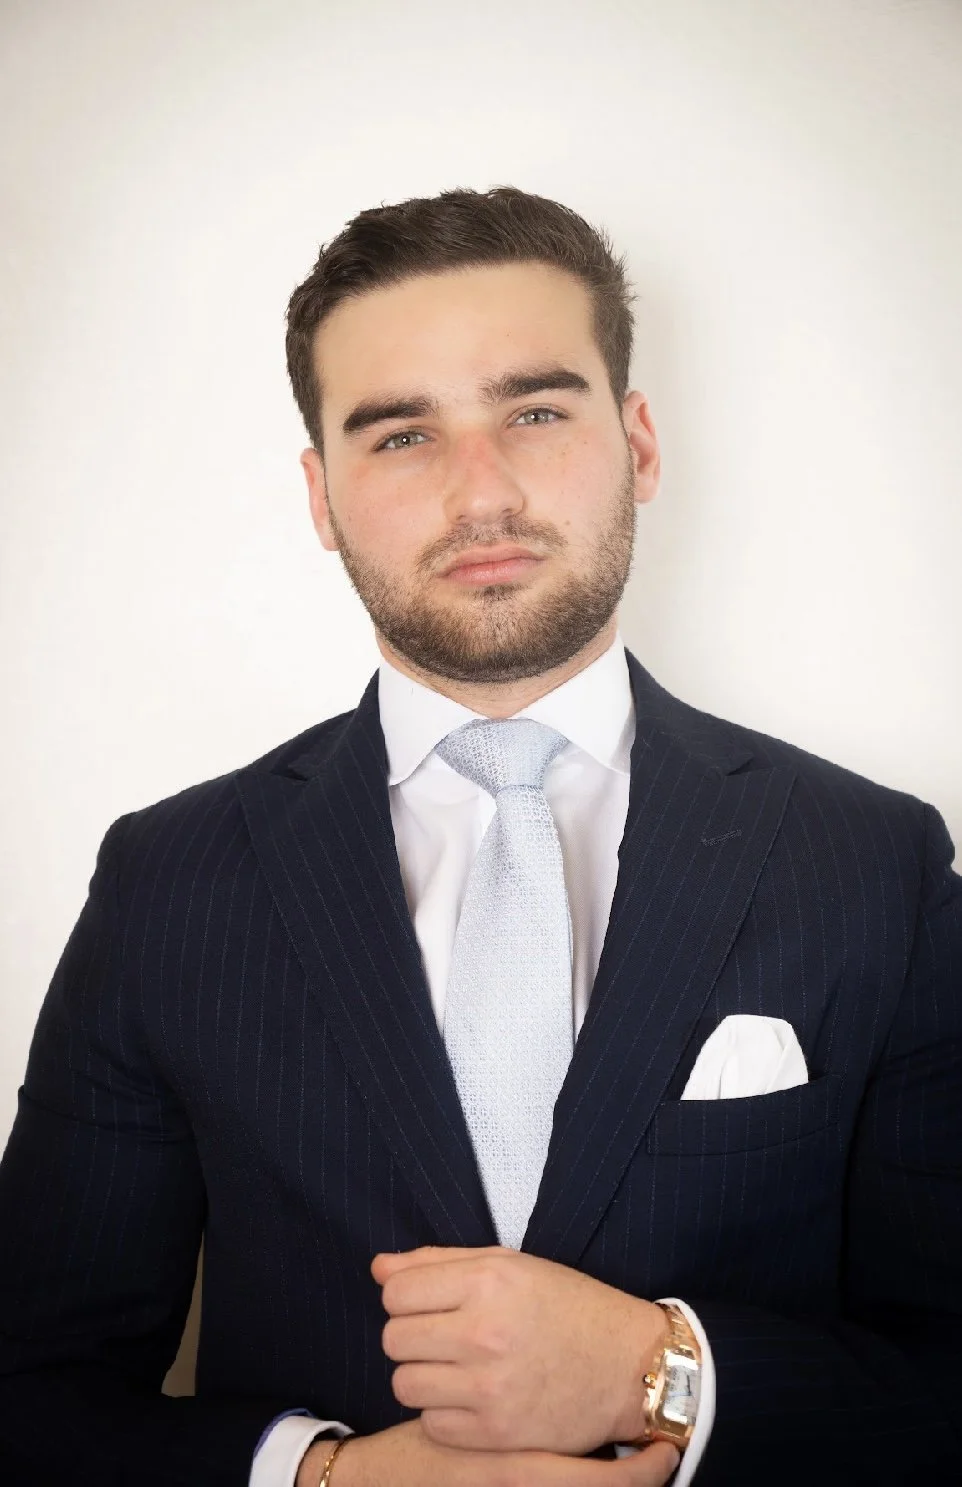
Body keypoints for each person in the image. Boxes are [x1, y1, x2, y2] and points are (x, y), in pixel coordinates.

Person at [0, 185, 960, 1487]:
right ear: (321, 495)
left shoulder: (874, 864)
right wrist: (322, 1477)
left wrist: (660, 1370)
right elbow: (31, 1388)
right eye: (400, 436)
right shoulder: (168, 880)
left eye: (535, 412)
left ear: (639, 442)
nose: (481, 491)